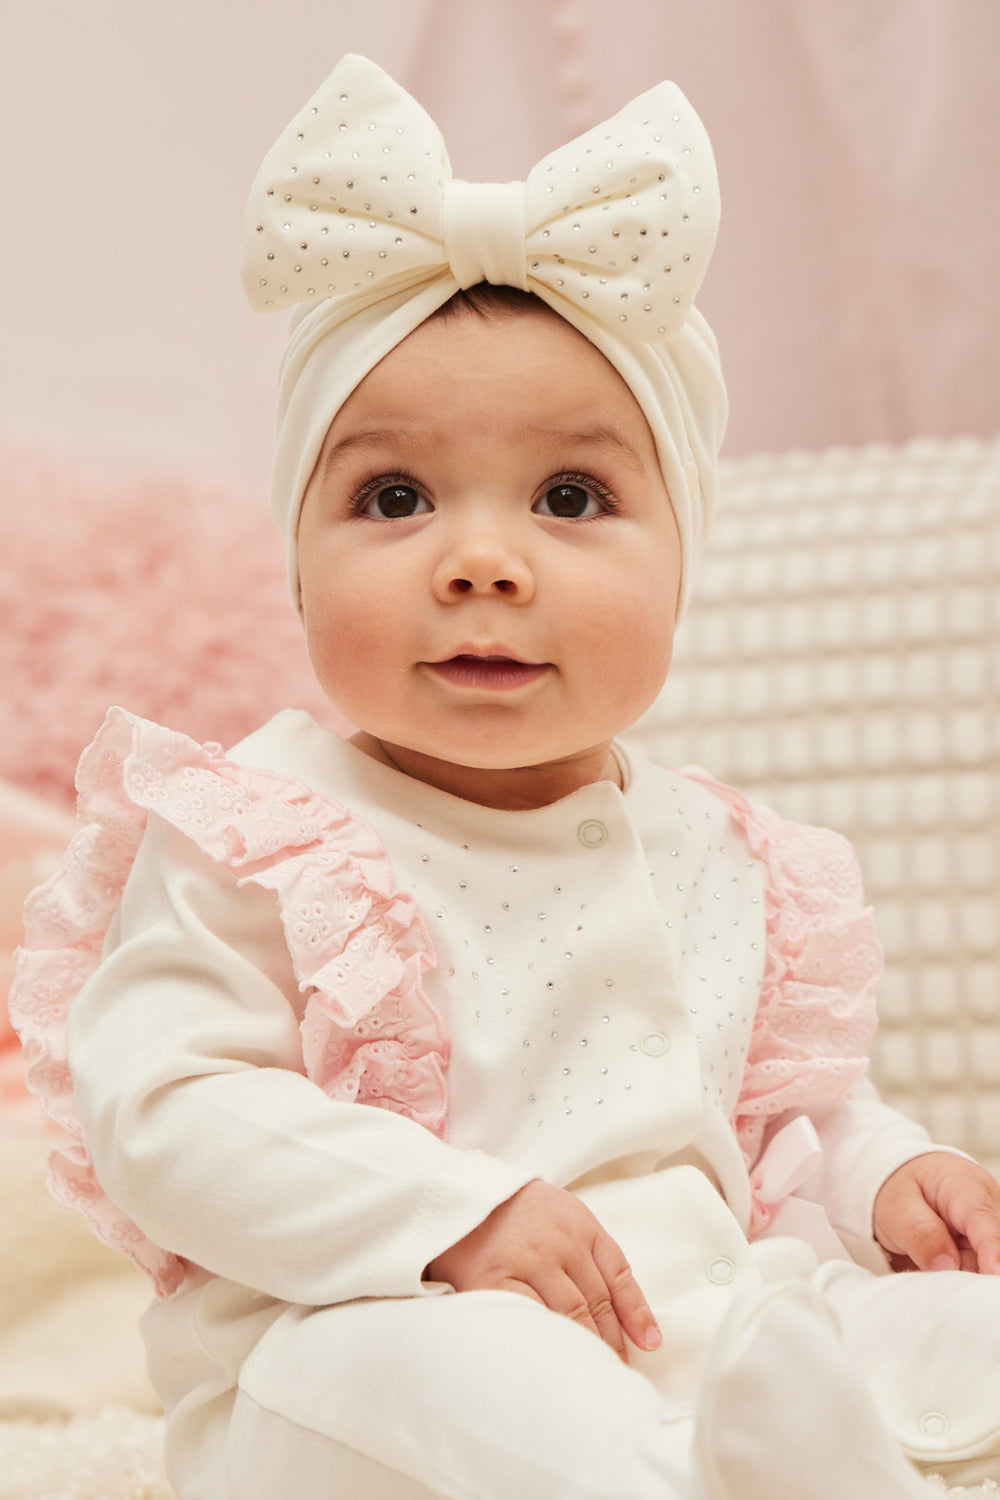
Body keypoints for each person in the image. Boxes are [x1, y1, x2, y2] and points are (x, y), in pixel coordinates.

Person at [11, 53, 1000, 1500]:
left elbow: (790, 1117)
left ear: (683, 571)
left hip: (694, 1315)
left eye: (572, 497)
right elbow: (160, 1108)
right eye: (394, 499)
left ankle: (802, 1440)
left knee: (944, 1328)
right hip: (358, 1331)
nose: (482, 560)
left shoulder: (720, 855)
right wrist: (452, 1219)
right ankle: (739, 1469)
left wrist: (886, 1181)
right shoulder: (269, 838)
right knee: (480, 1389)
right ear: (296, 569)